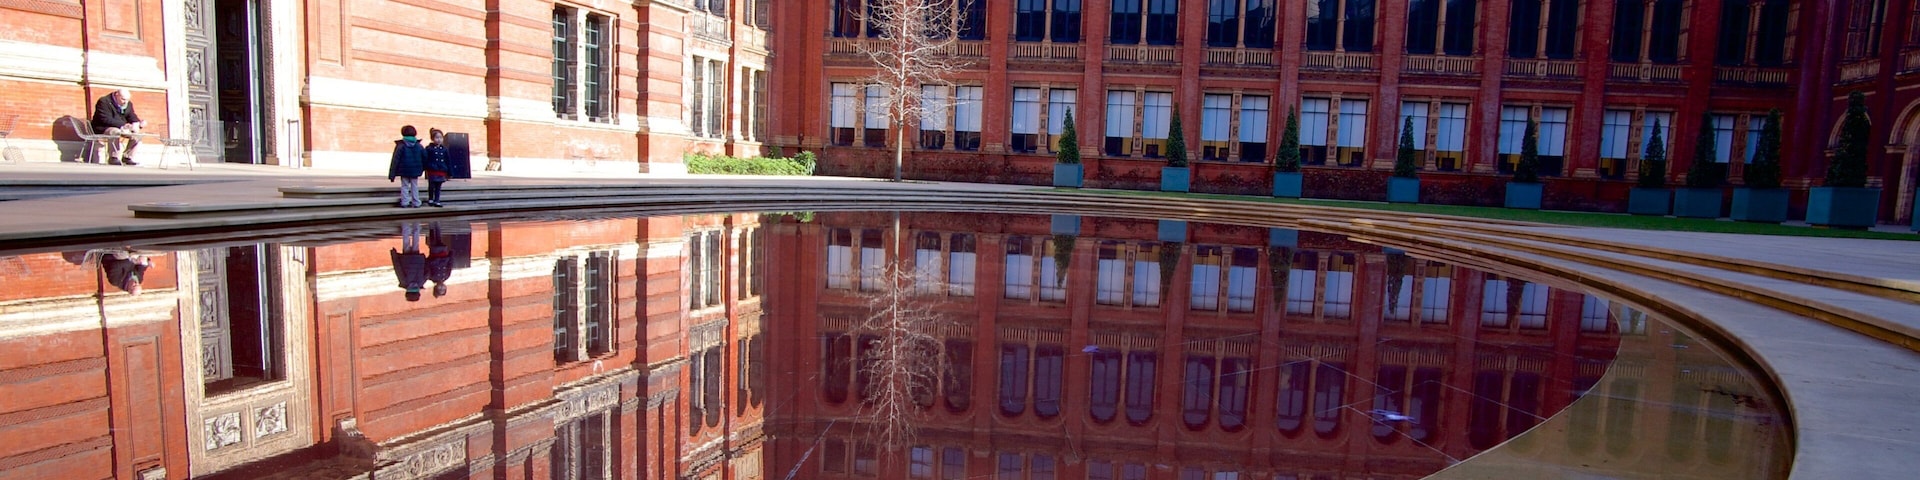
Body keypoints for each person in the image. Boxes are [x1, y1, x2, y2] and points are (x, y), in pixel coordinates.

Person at [90, 88, 145, 166]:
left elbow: (131, 116)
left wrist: (138, 123)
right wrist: (123, 125)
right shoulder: (104, 101)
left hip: (122, 127)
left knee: (137, 135)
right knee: (115, 132)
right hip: (103, 127)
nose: (125, 102)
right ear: (116, 95)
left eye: (127, 100)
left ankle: (127, 157)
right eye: (123, 99)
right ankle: (113, 157)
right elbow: (105, 119)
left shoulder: (128, 104)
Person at [388, 125, 426, 208]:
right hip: (415, 170)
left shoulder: (401, 145)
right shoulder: (419, 146)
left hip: (403, 170)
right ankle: (416, 202)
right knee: (414, 186)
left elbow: (395, 160)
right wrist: (423, 169)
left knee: (404, 186)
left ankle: (405, 202)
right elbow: (425, 158)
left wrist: (392, 174)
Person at [391, 222, 427, 301]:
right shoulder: (404, 282)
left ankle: (416, 224)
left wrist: (424, 260)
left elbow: (427, 271)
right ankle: (405, 224)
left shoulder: (421, 282)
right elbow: (398, 269)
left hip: (417, 259)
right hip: (405, 258)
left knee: (416, 241)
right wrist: (394, 255)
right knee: (406, 241)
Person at [423, 129, 451, 207]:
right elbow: (425, 158)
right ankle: (431, 198)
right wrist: (425, 167)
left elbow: (448, 160)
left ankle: (437, 200)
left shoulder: (444, 149)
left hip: (441, 169)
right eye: (437, 138)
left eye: (441, 138)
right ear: (432, 139)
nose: (439, 140)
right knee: (431, 185)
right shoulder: (429, 148)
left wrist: (449, 172)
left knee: (438, 185)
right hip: (432, 169)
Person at [426, 222, 453, 297]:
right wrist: (451, 255)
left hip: (435, 255)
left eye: (440, 289)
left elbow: (427, 265)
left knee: (433, 241)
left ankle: (431, 225)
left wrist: (434, 261)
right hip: (444, 255)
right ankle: (437, 225)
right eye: (443, 289)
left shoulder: (431, 277)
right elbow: (450, 265)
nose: (442, 287)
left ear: (435, 287)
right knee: (439, 239)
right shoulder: (446, 276)